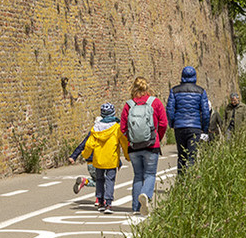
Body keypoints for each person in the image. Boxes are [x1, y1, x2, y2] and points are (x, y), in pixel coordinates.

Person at [124, 76, 168, 215]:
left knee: (138, 175)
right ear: (147, 87)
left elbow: (123, 128)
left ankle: (136, 208)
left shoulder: (129, 105)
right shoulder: (155, 102)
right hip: (151, 145)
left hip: (134, 146)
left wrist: (131, 138)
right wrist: (157, 138)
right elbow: (163, 123)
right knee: (149, 174)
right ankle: (145, 195)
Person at [75, 102, 127, 214]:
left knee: (99, 180)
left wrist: (85, 154)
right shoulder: (117, 128)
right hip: (111, 159)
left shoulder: (96, 128)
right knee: (110, 181)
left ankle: (100, 202)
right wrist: (127, 156)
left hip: (98, 160)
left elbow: (89, 145)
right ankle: (108, 203)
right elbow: (123, 142)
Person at [166, 66, 213, 174]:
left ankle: (180, 183)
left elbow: (170, 109)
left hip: (180, 127)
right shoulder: (201, 91)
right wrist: (204, 129)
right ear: (195, 76)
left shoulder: (174, 90)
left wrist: (173, 123)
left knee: (181, 156)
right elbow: (206, 112)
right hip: (195, 127)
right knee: (192, 156)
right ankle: (190, 182)